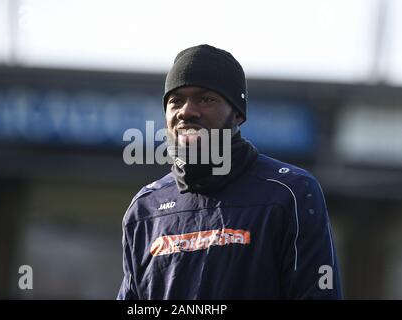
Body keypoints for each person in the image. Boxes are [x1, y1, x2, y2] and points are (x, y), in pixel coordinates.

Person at [117, 44, 343, 299]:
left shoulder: (291, 193)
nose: (187, 111)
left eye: (206, 99)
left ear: (237, 114)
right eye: (175, 101)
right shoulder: (146, 209)